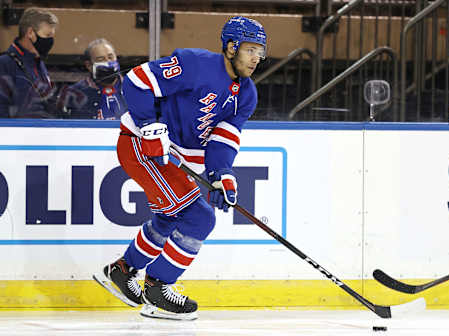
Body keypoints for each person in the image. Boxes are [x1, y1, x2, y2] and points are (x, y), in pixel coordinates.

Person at [93, 16, 267, 320]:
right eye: (250, 49)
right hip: (139, 146)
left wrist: (221, 175)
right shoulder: (194, 63)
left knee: (170, 216)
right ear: (231, 46)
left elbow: (223, 141)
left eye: (260, 52)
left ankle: (123, 271)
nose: (256, 58)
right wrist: (149, 126)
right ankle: (158, 286)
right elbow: (137, 81)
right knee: (199, 216)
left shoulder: (247, 95)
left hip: (170, 157)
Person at [0, 7, 58, 118]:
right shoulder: (4, 64)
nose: (51, 41)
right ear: (30, 32)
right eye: (47, 35)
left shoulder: (38, 63)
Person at [57, 38, 127, 119]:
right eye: (101, 59)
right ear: (89, 65)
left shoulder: (135, 87)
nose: (108, 62)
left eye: (110, 57)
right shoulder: (74, 93)